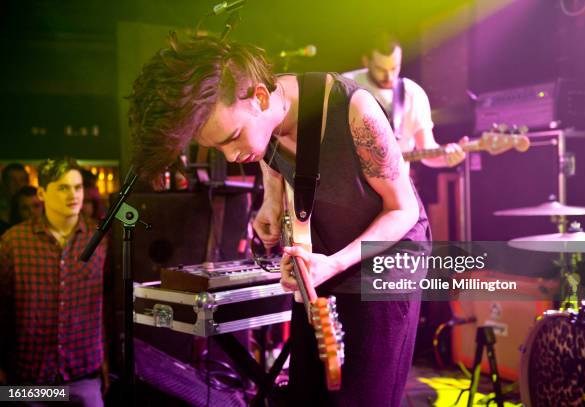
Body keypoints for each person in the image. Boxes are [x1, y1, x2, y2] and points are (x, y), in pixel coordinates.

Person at [128, 33, 429, 406]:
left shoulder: (354, 110)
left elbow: (404, 209)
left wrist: (333, 262)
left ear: (260, 98)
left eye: (233, 137)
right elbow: (278, 159)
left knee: (362, 397)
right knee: (306, 394)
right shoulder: (270, 113)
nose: (233, 154)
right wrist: (271, 205)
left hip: (386, 260)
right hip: (326, 259)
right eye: (218, 147)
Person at [0, 157, 109, 406]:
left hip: (83, 372)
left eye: (77, 187)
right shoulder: (13, 242)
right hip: (29, 376)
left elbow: (104, 304)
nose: (73, 195)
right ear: (41, 193)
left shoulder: (99, 240)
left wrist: (106, 356)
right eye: (62, 187)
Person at [343, 35, 466, 168]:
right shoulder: (346, 85)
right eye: (381, 69)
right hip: (351, 183)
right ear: (366, 61)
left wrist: (447, 159)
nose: (389, 76)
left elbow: (426, 151)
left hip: (395, 186)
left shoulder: (413, 94)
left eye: (394, 68)